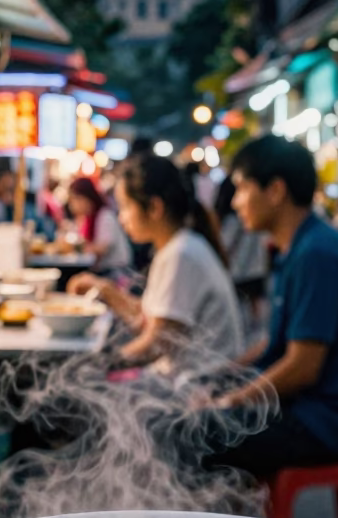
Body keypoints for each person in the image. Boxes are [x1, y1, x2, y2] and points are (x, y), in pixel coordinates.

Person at [199, 136, 338, 478]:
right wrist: (221, 375)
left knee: (189, 434)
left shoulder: (317, 254)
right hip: (305, 410)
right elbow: (275, 344)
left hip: (325, 425)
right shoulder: (301, 246)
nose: (237, 202)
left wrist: (232, 400)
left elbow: (302, 367)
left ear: (275, 190)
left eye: (242, 189)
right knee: (196, 414)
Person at [69, 153, 242, 366]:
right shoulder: (178, 247)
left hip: (198, 388)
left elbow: (156, 344)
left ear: (154, 208)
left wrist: (94, 364)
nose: (121, 217)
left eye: (125, 207)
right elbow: (149, 320)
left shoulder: (182, 254)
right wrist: (104, 290)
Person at [215, 174, 269, 320]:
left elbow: (225, 244)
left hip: (238, 270)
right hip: (257, 268)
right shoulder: (258, 216)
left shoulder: (234, 220)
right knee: (256, 309)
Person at [67, 177, 132, 274]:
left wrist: (75, 247)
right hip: (101, 271)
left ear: (87, 197)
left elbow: (102, 248)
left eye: (76, 199)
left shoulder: (105, 216)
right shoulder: (88, 218)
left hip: (116, 271)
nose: (73, 204)